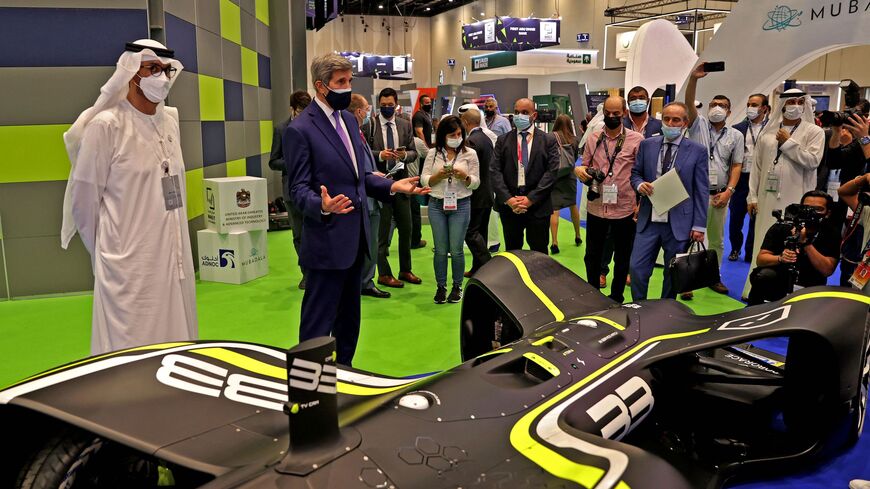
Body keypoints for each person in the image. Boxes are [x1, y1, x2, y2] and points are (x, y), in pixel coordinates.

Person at [285, 53, 428, 366]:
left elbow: (359, 176)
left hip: (356, 239)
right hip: (326, 241)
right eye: (341, 82)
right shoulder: (300, 130)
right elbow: (297, 189)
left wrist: (391, 186)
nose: (347, 88)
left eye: (349, 81)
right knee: (318, 326)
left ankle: (346, 376)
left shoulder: (349, 121)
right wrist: (320, 206)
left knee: (349, 322)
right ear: (320, 87)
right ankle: (311, 392)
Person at [61, 39, 197, 354]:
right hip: (128, 263)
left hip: (174, 255)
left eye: (165, 70)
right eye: (152, 69)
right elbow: (84, 202)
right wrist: (110, 254)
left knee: (176, 342)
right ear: (131, 73)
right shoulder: (106, 125)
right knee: (131, 349)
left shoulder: (170, 121)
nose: (161, 77)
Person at [742, 89, 825, 300]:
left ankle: (786, 293)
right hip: (766, 198)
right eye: (791, 101)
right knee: (763, 240)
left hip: (798, 199)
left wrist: (788, 143)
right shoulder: (767, 133)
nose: (795, 105)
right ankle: (755, 287)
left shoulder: (814, 131)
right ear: (783, 104)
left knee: (792, 243)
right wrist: (752, 197)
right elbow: (757, 168)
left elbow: (812, 161)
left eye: (799, 101)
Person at [630, 102, 709, 300]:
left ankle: (666, 310)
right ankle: (639, 307)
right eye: (667, 119)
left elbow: (701, 190)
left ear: (685, 123)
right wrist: (640, 186)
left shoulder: (697, 151)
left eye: (676, 120)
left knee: (672, 272)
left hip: (679, 221)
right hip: (649, 219)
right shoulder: (647, 145)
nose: (670, 123)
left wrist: (699, 225)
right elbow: (635, 174)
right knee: (637, 268)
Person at [685, 64, 745, 296]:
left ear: (729, 112)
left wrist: (729, 191)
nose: (717, 109)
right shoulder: (697, 124)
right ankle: (687, 280)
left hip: (720, 193)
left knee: (717, 240)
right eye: (713, 105)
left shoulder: (736, 136)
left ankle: (713, 276)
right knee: (689, 235)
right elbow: (689, 103)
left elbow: (737, 165)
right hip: (694, 191)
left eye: (722, 106)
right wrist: (693, 79)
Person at [577, 96, 644, 302]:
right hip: (597, 206)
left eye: (616, 113)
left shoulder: (637, 140)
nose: (612, 116)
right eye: (608, 113)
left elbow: (641, 172)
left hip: (625, 207)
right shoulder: (593, 137)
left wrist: (640, 204)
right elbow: (584, 164)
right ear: (603, 112)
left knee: (623, 257)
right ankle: (593, 295)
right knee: (592, 256)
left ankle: (617, 297)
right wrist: (579, 170)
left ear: (624, 113)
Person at [363, 87, 422, 289]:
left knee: (406, 228)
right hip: (380, 184)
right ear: (379, 105)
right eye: (383, 105)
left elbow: (414, 152)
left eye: (390, 105)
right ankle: (384, 274)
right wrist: (381, 155)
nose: (387, 108)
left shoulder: (405, 125)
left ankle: (405, 270)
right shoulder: (369, 126)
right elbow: (363, 153)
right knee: (382, 233)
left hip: (402, 182)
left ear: (396, 105)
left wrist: (404, 156)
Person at [421, 115, 480, 303]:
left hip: (461, 204)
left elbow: (476, 182)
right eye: (452, 134)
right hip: (437, 204)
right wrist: (437, 176)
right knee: (440, 249)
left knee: (456, 250)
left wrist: (465, 177)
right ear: (443, 136)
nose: (457, 137)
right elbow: (424, 180)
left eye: (459, 133)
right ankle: (440, 287)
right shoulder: (433, 154)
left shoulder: (470, 153)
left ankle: (457, 286)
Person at [490, 98, 560, 253]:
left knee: (539, 252)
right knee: (513, 253)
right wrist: (509, 199)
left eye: (524, 112)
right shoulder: (503, 140)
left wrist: (531, 199)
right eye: (516, 112)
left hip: (538, 206)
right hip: (510, 207)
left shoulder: (548, 140)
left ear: (534, 115)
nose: (519, 116)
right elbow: (495, 171)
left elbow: (552, 172)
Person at [746, 191, 839, 305]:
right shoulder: (782, 227)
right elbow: (761, 260)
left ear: (828, 213)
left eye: (818, 209)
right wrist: (780, 258)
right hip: (778, 279)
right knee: (763, 276)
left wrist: (805, 243)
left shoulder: (831, 233)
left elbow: (827, 270)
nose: (811, 213)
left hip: (810, 285)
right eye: (807, 208)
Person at [348, 94, 391, 299]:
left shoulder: (358, 132)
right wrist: (372, 176)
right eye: (366, 109)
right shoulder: (350, 135)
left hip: (372, 196)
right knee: (364, 244)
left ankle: (366, 280)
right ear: (358, 111)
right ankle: (362, 282)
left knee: (371, 243)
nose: (368, 113)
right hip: (363, 198)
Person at [269, 89, 312, 289]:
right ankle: (307, 273)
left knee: (317, 232)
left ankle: (320, 271)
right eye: (301, 110)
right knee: (299, 235)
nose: (304, 115)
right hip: (291, 190)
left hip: (314, 189)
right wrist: (294, 163)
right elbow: (273, 161)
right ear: (292, 109)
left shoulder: (315, 125)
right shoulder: (281, 129)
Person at [729, 93, 769, 263]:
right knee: (736, 217)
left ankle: (751, 251)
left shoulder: (772, 129)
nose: (750, 108)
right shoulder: (737, 128)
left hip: (761, 178)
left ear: (764, 108)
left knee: (756, 217)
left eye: (754, 104)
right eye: (749, 104)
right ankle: (735, 248)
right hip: (741, 177)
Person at [460, 108, 494, 276]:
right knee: (482, 232)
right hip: (487, 192)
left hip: (476, 193)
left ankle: (488, 265)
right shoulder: (486, 138)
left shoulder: (471, 141)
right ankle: (478, 269)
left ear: (465, 123)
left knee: (470, 231)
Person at [549, 114, 583, 255]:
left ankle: (554, 242)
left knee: (554, 209)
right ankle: (578, 235)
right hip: (569, 176)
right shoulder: (575, 140)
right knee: (573, 205)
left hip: (554, 175)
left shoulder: (550, 137)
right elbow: (574, 159)